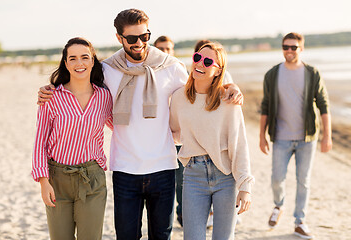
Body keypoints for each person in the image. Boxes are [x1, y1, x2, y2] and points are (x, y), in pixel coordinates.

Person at [37, 9, 243, 240]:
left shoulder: (170, 66)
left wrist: (230, 85)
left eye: (144, 36)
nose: (139, 43)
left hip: (163, 167)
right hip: (125, 170)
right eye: (132, 38)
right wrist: (50, 89)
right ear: (119, 38)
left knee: (161, 236)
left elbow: (201, 83)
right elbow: (78, 80)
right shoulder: (107, 70)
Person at [170, 42, 254, 240]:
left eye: (208, 61)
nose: (200, 64)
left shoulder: (229, 100)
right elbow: (175, 133)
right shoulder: (178, 98)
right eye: (197, 58)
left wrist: (245, 187)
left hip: (226, 176)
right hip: (193, 176)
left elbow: (239, 144)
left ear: (218, 71)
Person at [32, 37, 113, 240]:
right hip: (57, 179)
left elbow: (121, 127)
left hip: (92, 179)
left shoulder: (105, 97)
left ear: (92, 61)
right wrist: (43, 181)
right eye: (73, 58)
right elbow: (40, 142)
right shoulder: (51, 97)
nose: (79, 63)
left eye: (85, 57)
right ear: (66, 63)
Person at [259, 32, 332, 239]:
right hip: (280, 137)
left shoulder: (312, 73)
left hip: (307, 138)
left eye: (294, 47)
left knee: (303, 180)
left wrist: (327, 135)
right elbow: (265, 105)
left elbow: (324, 105)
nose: (289, 51)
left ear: (301, 49)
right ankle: (278, 206)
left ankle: (300, 221)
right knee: (277, 178)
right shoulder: (272, 74)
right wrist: (261, 136)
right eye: (285, 47)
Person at [154, 35, 184, 227]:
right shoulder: (150, 74)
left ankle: (181, 214)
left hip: (179, 139)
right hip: (158, 139)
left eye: (168, 49)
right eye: (161, 49)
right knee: (164, 185)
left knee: (181, 181)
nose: (165, 52)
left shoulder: (179, 70)